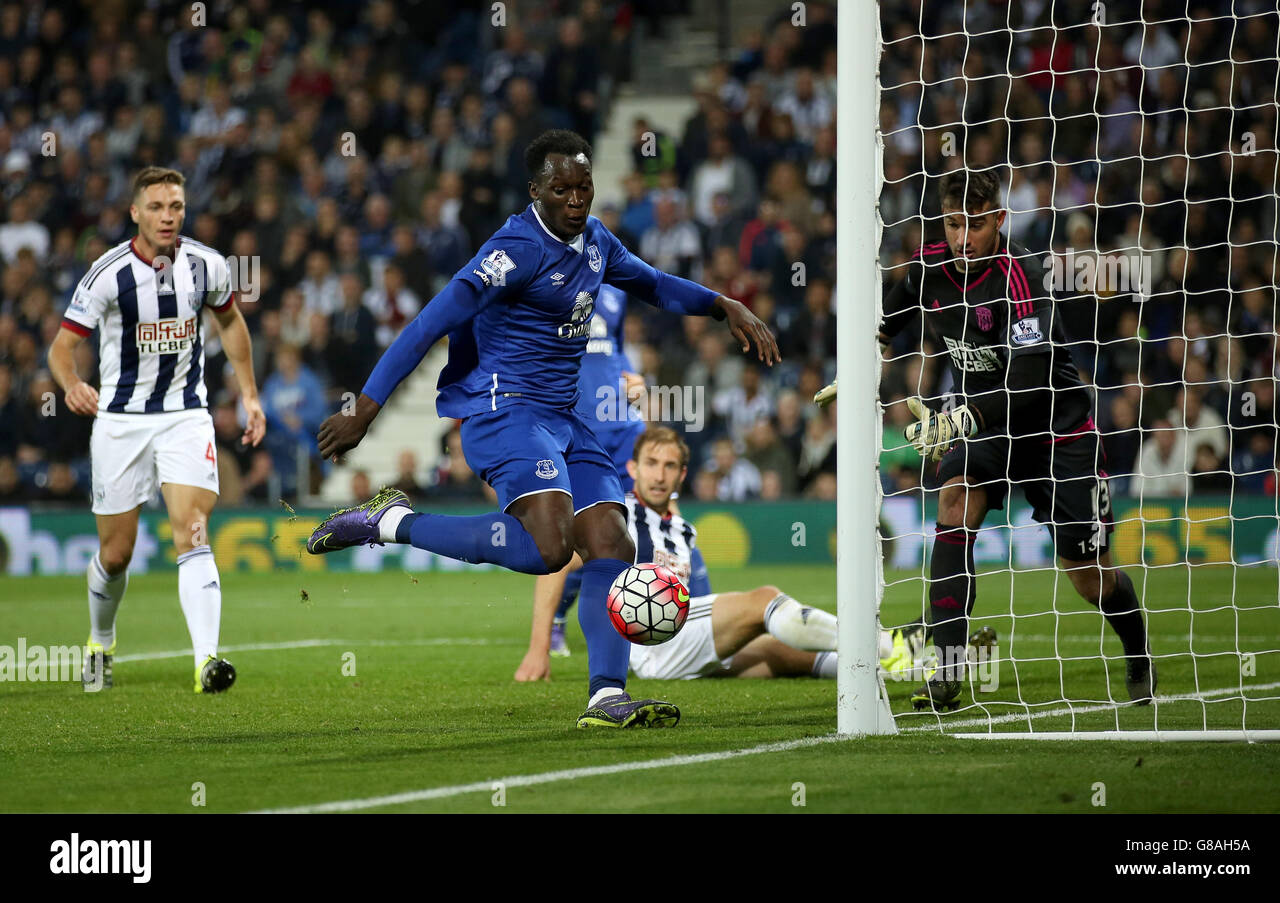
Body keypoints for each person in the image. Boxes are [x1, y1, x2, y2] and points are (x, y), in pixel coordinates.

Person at [308, 130, 779, 728]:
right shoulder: (513, 251)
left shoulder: (596, 241)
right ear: (536, 191)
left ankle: (606, 697)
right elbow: (428, 323)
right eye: (562, 190)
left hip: (563, 416)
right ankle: (390, 522)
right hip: (504, 411)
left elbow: (655, 285)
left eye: (584, 187)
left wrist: (722, 304)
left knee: (612, 542)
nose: (576, 200)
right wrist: (365, 410)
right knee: (550, 549)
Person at [872, 168, 1155, 711]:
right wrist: (860, 361)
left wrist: (958, 421)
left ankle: (1138, 651)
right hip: (988, 429)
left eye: (975, 225)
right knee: (954, 503)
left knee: (1089, 577)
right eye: (953, 224)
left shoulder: (1021, 275)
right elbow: (889, 320)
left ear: (999, 220)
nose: (962, 238)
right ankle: (946, 671)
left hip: (1054, 431)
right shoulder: (929, 266)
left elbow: (1025, 384)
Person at [47, 166, 266, 693]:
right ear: (135, 213)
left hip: (185, 416)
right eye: (157, 207)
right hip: (120, 422)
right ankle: (101, 641)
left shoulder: (207, 265)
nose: (168, 216)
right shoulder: (107, 273)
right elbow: (61, 347)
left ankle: (207, 661)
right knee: (116, 554)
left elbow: (230, 321)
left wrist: (250, 394)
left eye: (176, 207)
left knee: (192, 529)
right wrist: (72, 384)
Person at [517, 425, 923, 682]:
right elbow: (557, 564)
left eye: (670, 466)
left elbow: (699, 602)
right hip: (647, 645)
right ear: (634, 469)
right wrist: (539, 648)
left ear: (682, 475)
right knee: (763, 601)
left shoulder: (682, 531)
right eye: (651, 463)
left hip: (677, 640)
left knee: (777, 650)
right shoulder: (616, 515)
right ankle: (886, 645)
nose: (659, 475)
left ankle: (901, 672)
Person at [515, 281, 646, 670]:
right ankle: (552, 624)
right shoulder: (548, 285)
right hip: (579, 434)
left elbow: (615, 348)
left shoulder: (616, 293)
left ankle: (649, 623)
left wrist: (632, 375)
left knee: (644, 532)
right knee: (577, 540)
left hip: (625, 430)